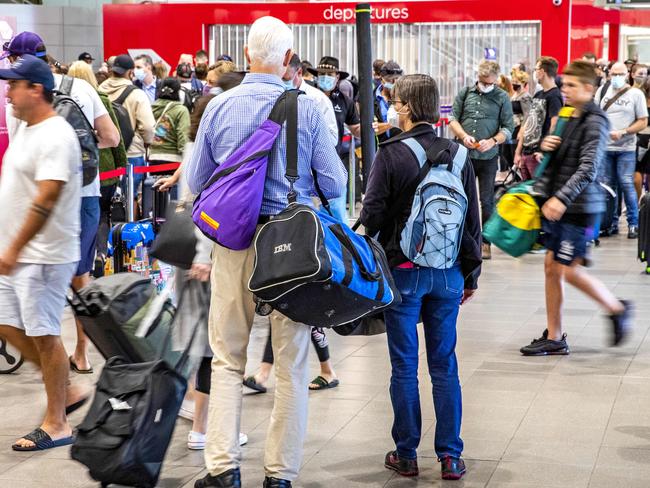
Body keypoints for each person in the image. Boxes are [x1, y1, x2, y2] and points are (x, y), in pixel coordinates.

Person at [185, 16, 346, 488]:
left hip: (233, 244)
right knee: (293, 366)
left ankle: (222, 468)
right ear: (289, 60)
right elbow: (334, 181)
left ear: (247, 55)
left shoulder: (219, 106)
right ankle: (280, 475)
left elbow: (197, 182)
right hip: (291, 250)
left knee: (228, 357)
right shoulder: (309, 108)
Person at [360, 74, 482, 482]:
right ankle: (450, 456)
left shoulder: (391, 154)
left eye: (397, 102)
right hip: (448, 273)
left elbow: (373, 214)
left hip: (405, 272)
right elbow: (471, 224)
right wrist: (471, 275)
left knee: (404, 366)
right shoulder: (460, 154)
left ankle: (406, 453)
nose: (394, 108)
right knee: (445, 365)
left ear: (409, 108)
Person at [0, 54, 87, 451]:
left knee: (45, 334)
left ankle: (57, 422)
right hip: (17, 254)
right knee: (8, 326)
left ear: (36, 89)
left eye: (14, 84)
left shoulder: (55, 134)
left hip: (44, 256)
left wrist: (16, 247)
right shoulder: (26, 130)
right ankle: (66, 389)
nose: (8, 91)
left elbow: (47, 197)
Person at [520, 60, 634, 356]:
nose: (564, 89)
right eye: (563, 84)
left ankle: (618, 308)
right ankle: (555, 335)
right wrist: (548, 145)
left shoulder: (596, 121)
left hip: (579, 208)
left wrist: (561, 198)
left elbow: (588, 169)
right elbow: (564, 157)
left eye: (570, 85)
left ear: (588, 88)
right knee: (550, 268)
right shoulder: (571, 116)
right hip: (562, 205)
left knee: (569, 271)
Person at [52, 57, 121, 373]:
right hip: (85, 191)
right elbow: (112, 138)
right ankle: (82, 353)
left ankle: (53, 360)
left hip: (48, 196)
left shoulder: (25, 94)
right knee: (82, 278)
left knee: (44, 283)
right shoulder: (83, 89)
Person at [449, 60, 514, 260]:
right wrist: (462, 135)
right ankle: (460, 239)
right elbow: (453, 119)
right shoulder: (465, 93)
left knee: (486, 201)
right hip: (464, 155)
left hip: (488, 157)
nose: (484, 85)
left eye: (488, 82)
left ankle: (485, 242)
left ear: (496, 79)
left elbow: (508, 129)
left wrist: (494, 141)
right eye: (481, 81)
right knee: (460, 197)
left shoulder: (502, 97)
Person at [67, 60, 127, 275]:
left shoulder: (55, 98)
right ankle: (101, 255)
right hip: (104, 169)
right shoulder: (99, 98)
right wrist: (122, 166)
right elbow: (114, 137)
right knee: (102, 215)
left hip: (75, 173)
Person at [595, 61, 648, 239]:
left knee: (626, 184)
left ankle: (634, 223)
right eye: (614, 74)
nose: (616, 78)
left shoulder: (636, 94)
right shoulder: (602, 91)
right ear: (609, 74)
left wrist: (624, 131)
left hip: (626, 147)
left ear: (627, 74)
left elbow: (643, 120)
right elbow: (595, 114)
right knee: (608, 187)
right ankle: (611, 223)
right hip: (605, 148)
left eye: (620, 74)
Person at [99, 54, 155, 197]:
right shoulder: (137, 94)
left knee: (106, 196)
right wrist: (147, 143)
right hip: (131, 152)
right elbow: (148, 126)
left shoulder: (98, 90)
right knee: (130, 196)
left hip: (106, 153)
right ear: (130, 72)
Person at [514, 56, 563, 180]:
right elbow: (528, 122)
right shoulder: (538, 94)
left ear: (542, 72)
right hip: (526, 152)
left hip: (537, 155)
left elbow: (554, 125)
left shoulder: (554, 96)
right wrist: (518, 152)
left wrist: (544, 151)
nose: (535, 73)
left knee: (537, 192)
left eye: (536, 69)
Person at [149, 78, 191, 170]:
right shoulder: (181, 110)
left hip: (153, 157)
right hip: (173, 158)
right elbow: (183, 136)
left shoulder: (150, 107)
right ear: (178, 91)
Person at [374, 60, 404, 144]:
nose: (394, 83)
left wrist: (381, 126)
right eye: (390, 80)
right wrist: (393, 123)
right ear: (382, 79)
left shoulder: (405, 98)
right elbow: (371, 129)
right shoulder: (371, 98)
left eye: (397, 79)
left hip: (401, 147)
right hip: (378, 149)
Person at [636, 75, 650, 199]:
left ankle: (642, 205)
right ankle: (638, 205)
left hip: (643, 140)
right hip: (640, 140)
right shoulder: (640, 100)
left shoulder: (640, 99)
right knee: (637, 174)